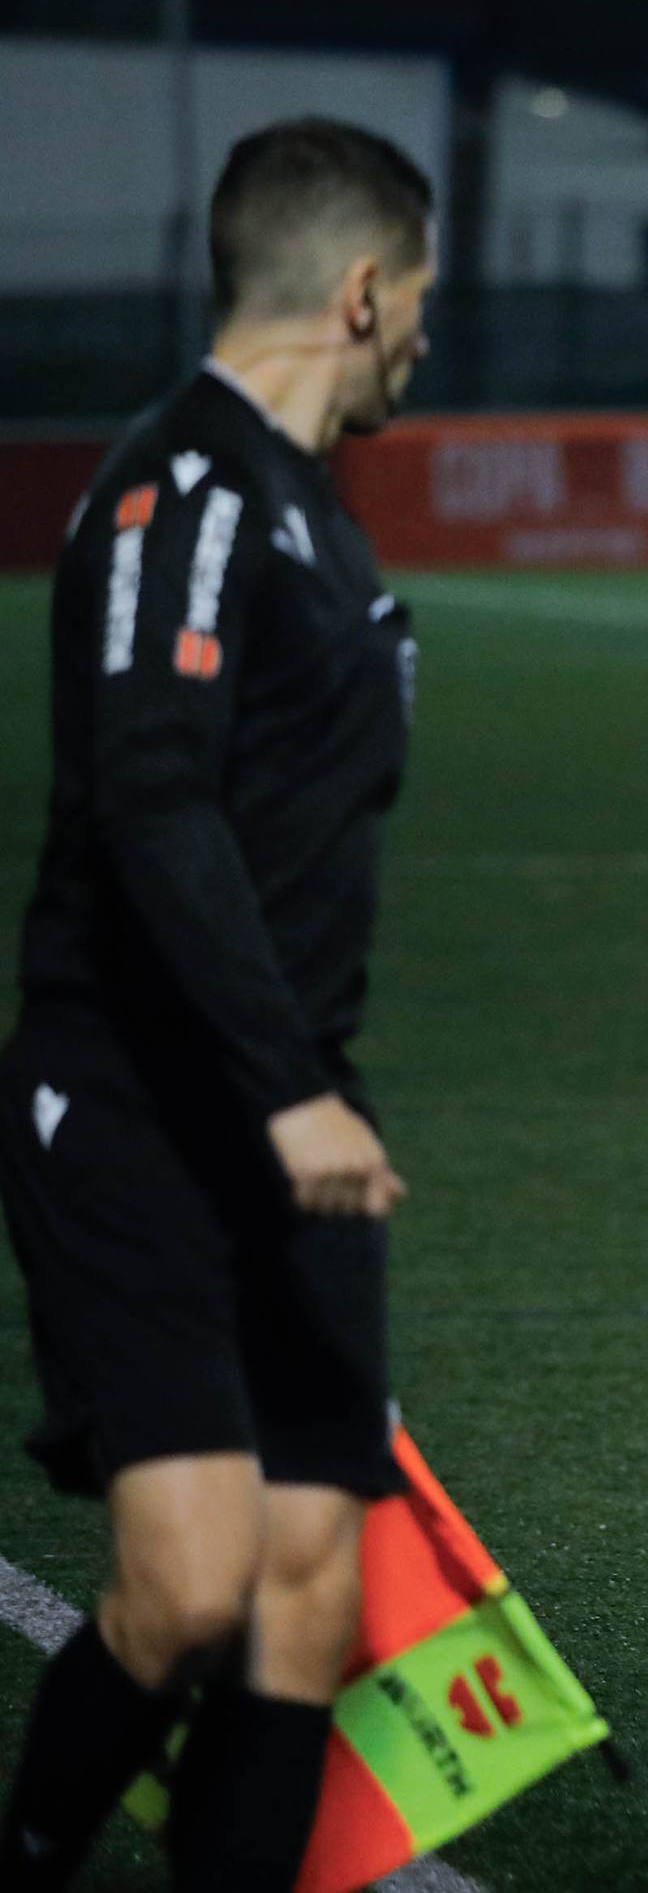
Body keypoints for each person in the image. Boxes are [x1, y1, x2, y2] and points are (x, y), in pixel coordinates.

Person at [0, 119, 436, 1885]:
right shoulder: (177, 491)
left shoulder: (311, 514)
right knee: (185, 1587)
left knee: (305, 1604)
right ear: (360, 292)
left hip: (291, 1110)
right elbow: (153, 800)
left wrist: (303, 1093)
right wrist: (284, 1092)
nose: (425, 336)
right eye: (420, 302)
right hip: (137, 1108)